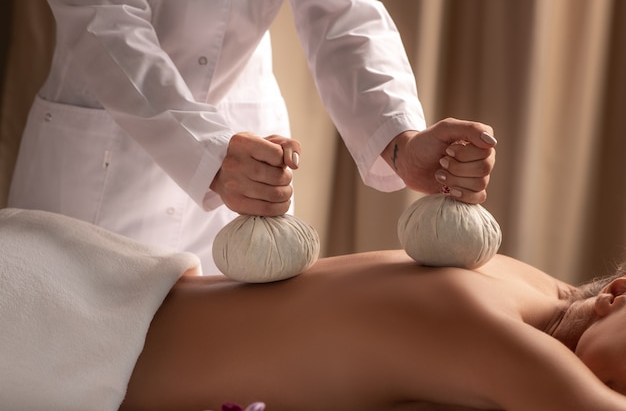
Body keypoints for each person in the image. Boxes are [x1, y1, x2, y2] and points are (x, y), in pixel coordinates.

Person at [7, 0, 497, 275]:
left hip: (249, 165)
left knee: (233, 375)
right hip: (102, 158)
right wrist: (209, 156)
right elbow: (103, 22)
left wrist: (401, 141)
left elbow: (341, 10)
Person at [2, 207, 626, 411]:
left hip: (90, 287)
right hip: (53, 330)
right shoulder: (492, 328)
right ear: (619, 296)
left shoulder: (529, 287)